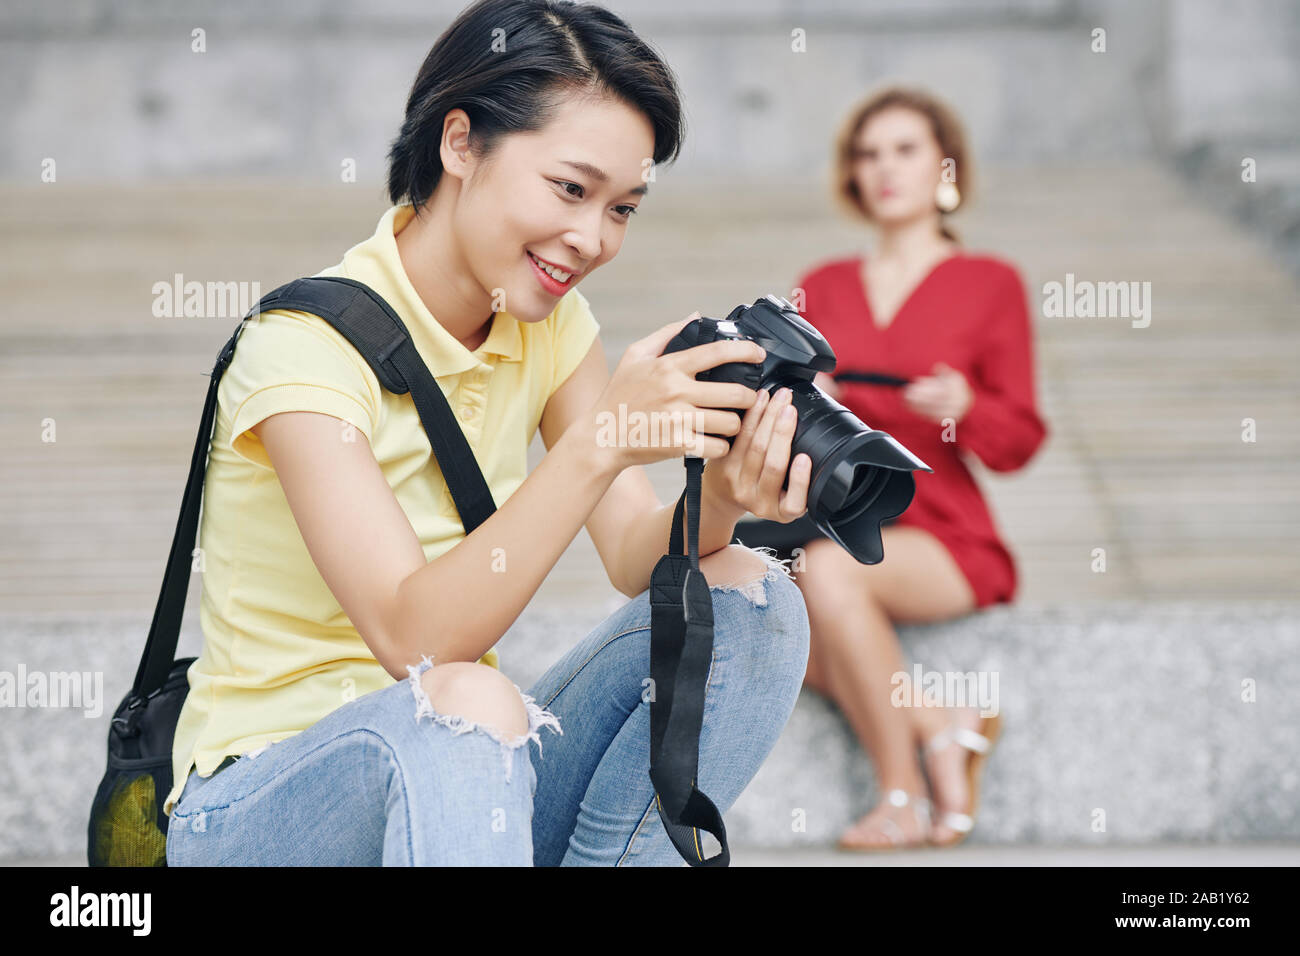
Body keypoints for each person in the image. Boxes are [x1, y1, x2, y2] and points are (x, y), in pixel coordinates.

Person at [163, 0, 811, 866]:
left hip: (470, 791)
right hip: (262, 807)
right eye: (570, 189)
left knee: (748, 598)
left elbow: (631, 553)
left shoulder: (550, 327)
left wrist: (723, 498)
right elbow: (410, 639)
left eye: (622, 208)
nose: (590, 238)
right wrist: (603, 437)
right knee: (462, 699)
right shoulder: (301, 351)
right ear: (459, 143)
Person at [787, 86, 1048, 849]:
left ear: (945, 166)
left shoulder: (989, 282)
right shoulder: (824, 283)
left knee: (829, 572)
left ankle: (899, 797)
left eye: (904, 150)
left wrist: (965, 406)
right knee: (754, 599)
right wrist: (810, 399)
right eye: (868, 154)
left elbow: (1021, 439)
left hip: (942, 531)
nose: (884, 169)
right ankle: (940, 721)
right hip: (835, 513)